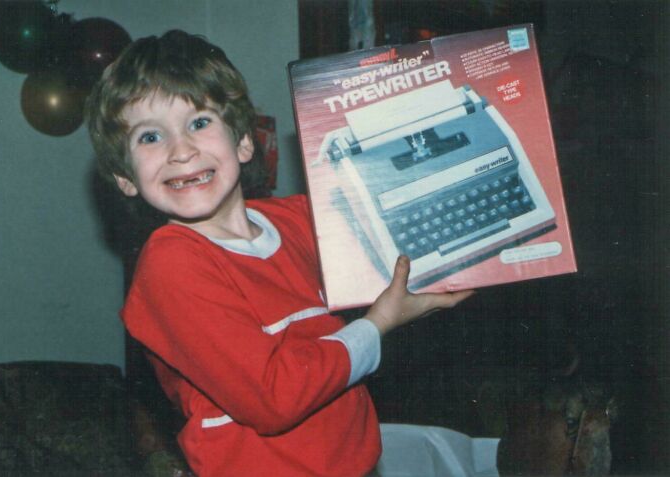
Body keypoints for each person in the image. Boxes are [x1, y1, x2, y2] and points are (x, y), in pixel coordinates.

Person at [86, 30, 473, 477]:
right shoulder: (171, 262)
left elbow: (401, 245)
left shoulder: (298, 218)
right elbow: (272, 397)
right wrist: (378, 324)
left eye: (198, 123)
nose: (181, 151)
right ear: (125, 178)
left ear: (244, 142)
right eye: (150, 137)